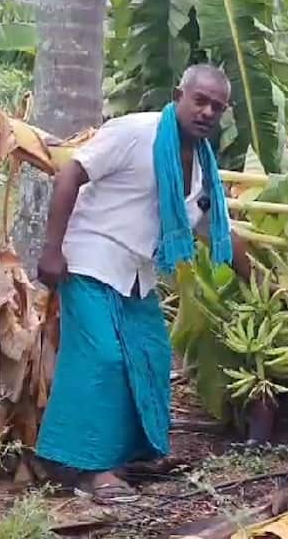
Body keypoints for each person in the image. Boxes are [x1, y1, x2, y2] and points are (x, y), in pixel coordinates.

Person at [34, 64, 252, 504]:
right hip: (91, 257)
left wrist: (262, 280)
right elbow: (70, 175)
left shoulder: (202, 169)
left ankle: (121, 454)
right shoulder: (136, 132)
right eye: (200, 101)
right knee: (104, 359)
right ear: (179, 94)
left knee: (151, 354)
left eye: (217, 106)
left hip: (137, 274)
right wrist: (52, 249)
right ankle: (94, 472)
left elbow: (211, 228)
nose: (207, 111)